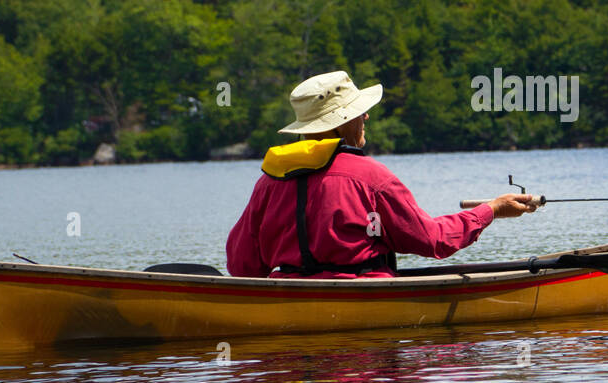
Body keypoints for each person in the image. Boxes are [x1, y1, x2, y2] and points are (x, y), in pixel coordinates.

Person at [226, 71, 536, 278]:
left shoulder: (270, 181)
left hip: (288, 306)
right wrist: (491, 211)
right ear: (340, 123)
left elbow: (241, 266)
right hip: (362, 315)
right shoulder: (372, 177)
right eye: (359, 112)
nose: (366, 116)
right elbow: (432, 240)